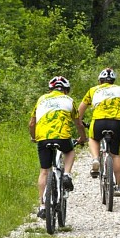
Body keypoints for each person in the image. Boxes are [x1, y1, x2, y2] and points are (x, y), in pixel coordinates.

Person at [29, 76, 88, 219]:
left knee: (44, 171)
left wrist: (34, 137)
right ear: (66, 91)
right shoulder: (69, 101)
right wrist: (83, 138)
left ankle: (42, 206)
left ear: (50, 89)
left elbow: (31, 124)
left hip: (43, 138)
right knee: (69, 151)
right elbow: (78, 123)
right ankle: (67, 174)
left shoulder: (41, 99)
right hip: (62, 137)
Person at [78, 68, 120, 197]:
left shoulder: (93, 90)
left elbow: (81, 108)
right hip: (117, 122)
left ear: (100, 81)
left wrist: (80, 121)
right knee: (117, 155)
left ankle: (96, 159)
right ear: (113, 81)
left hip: (98, 121)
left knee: (93, 138)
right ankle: (118, 187)